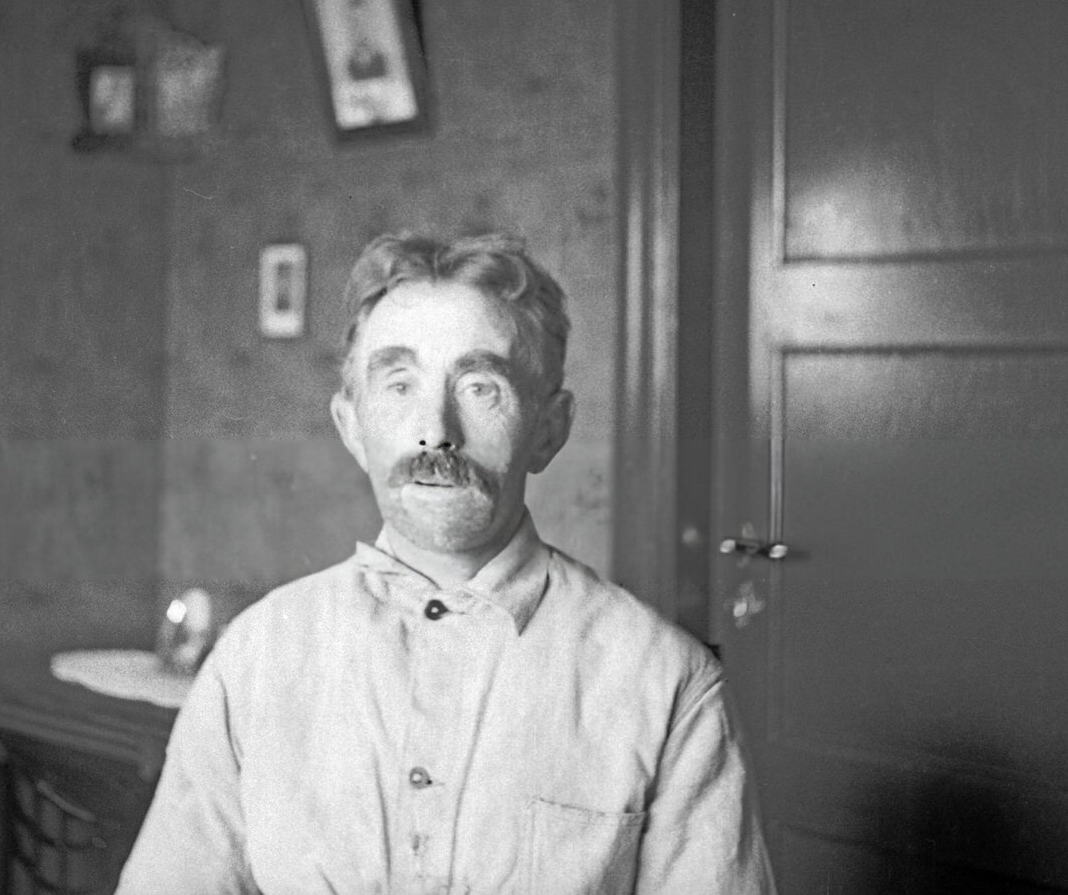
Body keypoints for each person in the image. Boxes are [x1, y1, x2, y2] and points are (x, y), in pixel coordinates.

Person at [116, 231, 776, 894]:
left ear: (550, 428)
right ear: (352, 426)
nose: (437, 430)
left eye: (482, 387)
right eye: (399, 384)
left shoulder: (667, 684)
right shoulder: (253, 660)